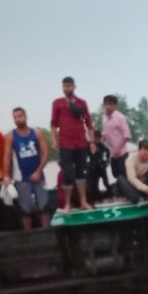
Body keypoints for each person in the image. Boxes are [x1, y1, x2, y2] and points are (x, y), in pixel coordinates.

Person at [2, 107, 52, 230]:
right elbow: (7, 157)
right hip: (21, 178)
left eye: (20, 116)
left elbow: (46, 154)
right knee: (25, 210)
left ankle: (47, 231)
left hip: (39, 176)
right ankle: (28, 234)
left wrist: (39, 171)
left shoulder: (36, 133)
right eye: (15, 117)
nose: (18, 119)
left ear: (25, 116)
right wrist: (6, 176)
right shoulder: (10, 136)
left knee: (44, 206)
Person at [50, 76, 95, 213]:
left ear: (74, 86)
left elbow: (89, 124)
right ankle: (67, 204)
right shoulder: (57, 103)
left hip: (81, 142)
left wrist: (92, 142)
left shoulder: (82, 103)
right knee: (68, 174)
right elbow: (53, 125)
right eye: (64, 86)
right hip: (65, 144)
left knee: (81, 173)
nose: (66, 88)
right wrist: (54, 141)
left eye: (69, 86)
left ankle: (83, 201)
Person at [101, 94, 131, 192]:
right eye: (106, 104)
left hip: (121, 152)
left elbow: (127, 135)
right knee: (115, 174)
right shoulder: (104, 117)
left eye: (110, 104)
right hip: (111, 153)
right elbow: (104, 133)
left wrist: (118, 148)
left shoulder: (120, 117)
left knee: (124, 174)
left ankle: (128, 193)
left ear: (115, 105)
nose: (108, 107)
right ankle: (121, 192)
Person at [87, 129, 111, 203]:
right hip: (93, 167)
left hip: (101, 166)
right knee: (94, 183)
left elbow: (108, 152)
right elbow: (85, 156)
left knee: (106, 181)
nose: (97, 139)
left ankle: (110, 194)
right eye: (95, 137)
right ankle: (96, 197)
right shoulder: (89, 146)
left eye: (98, 138)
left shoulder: (102, 146)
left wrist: (107, 162)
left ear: (100, 138)